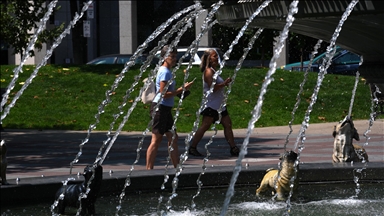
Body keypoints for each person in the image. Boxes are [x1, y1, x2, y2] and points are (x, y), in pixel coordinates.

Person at [146, 45, 194, 170]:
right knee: (156, 140)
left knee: (173, 138)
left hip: (165, 109)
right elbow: (163, 93)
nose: (174, 59)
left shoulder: (166, 71)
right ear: (164, 57)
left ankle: (177, 167)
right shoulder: (165, 72)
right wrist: (180, 90)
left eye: (175, 56)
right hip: (160, 108)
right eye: (171, 56)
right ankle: (148, 170)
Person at [189, 49, 240, 157]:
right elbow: (212, 88)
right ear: (209, 59)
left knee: (227, 124)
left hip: (219, 105)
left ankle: (233, 148)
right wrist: (224, 83)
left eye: (217, 56)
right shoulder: (208, 71)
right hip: (211, 105)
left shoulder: (214, 70)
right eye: (214, 56)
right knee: (204, 126)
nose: (217, 58)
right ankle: (192, 147)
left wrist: (224, 83)